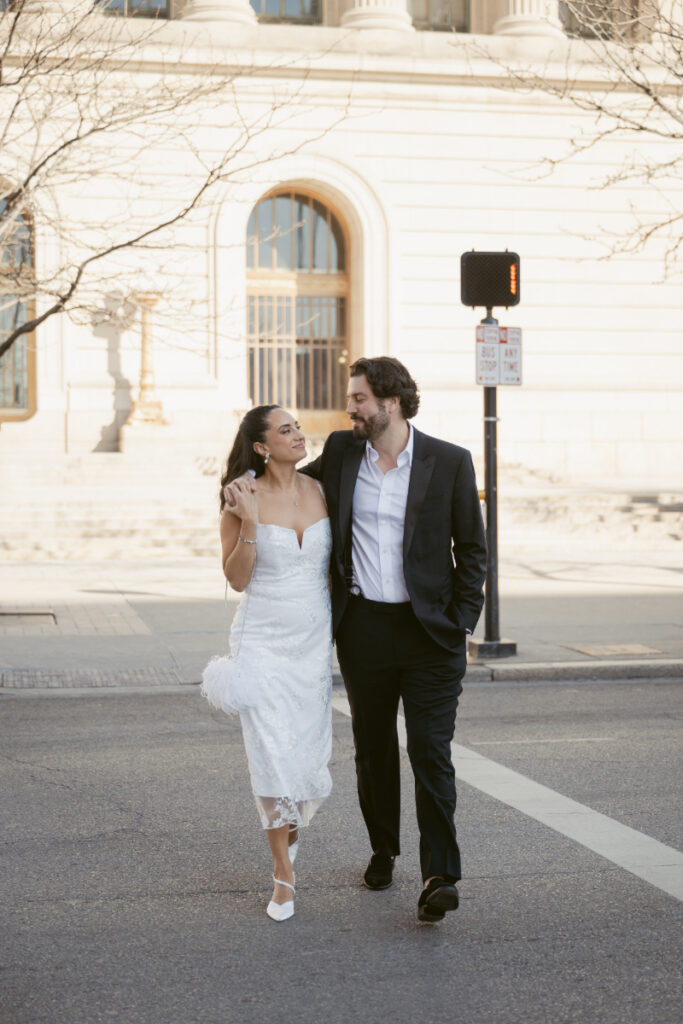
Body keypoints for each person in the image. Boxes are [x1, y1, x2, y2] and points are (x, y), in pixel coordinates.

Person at [299, 357, 486, 922]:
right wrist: (243, 475)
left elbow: (473, 551)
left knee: (430, 750)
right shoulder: (339, 453)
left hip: (431, 634)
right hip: (365, 630)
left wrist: (461, 621)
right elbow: (287, 483)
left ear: (392, 403)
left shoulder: (449, 461)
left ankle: (440, 875)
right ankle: (384, 848)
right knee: (373, 746)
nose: (349, 407)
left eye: (358, 398)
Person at [201, 404, 333, 923]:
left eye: (298, 427)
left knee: (307, 758)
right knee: (271, 755)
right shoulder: (240, 499)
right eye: (286, 430)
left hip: (314, 644)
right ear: (261, 446)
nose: (299, 435)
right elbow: (237, 579)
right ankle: (283, 876)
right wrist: (251, 522)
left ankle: (289, 830)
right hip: (263, 643)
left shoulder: (322, 491)